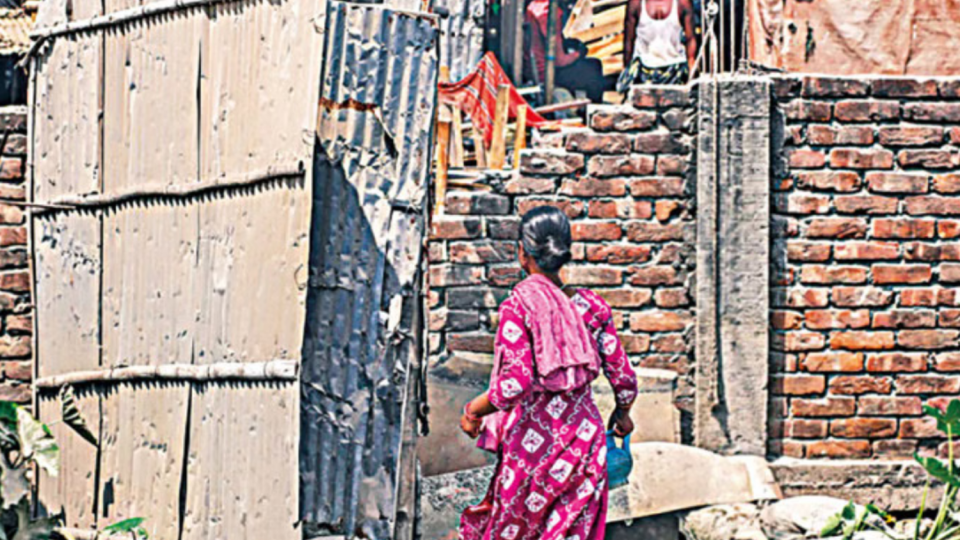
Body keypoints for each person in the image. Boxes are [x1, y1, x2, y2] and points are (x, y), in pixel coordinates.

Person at [458, 206, 638, 540]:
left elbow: (515, 383)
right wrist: (623, 414)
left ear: (522, 253)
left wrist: (473, 411)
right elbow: (623, 376)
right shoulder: (593, 307)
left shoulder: (519, 307)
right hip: (584, 443)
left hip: (533, 448)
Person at [526, 0, 614, 103]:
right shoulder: (550, 14)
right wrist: (579, 53)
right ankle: (592, 107)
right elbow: (560, 60)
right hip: (546, 74)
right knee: (594, 67)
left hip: (531, 70)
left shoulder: (535, 5)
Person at [618, 0, 698, 91]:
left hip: (675, 70)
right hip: (643, 69)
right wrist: (627, 72)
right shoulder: (636, 3)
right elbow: (629, 41)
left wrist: (691, 67)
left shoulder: (682, 3)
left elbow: (690, 39)